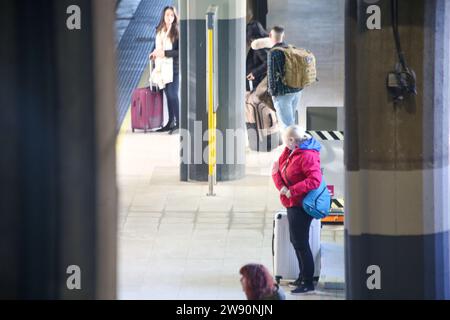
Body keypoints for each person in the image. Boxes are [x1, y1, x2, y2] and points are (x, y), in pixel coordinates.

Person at [272, 125, 322, 294]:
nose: (284, 144)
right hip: (292, 203)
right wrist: (283, 188)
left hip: (301, 206)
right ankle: (302, 276)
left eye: (286, 140)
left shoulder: (307, 155)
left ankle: (308, 281)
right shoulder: (291, 150)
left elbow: (314, 180)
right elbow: (277, 169)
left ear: (293, 140)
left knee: (301, 243)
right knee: (297, 242)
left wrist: (291, 191)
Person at [149, 6, 180, 135]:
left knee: (173, 94)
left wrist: (164, 53)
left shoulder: (176, 32)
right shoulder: (159, 30)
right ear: (163, 16)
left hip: (173, 68)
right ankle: (170, 122)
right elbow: (156, 46)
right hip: (162, 67)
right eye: (168, 15)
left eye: (172, 15)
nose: (170, 17)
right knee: (167, 94)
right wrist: (154, 53)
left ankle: (179, 123)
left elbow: (179, 52)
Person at [267, 26, 302, 130]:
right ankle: (293, 145)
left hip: (283, 94)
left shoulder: (273, 52)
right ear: (283, 36)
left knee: (287, 126)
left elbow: (271, 75)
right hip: (296, 90)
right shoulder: (291, 48)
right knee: (291, 122)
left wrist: (272, 94)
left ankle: (292, 146)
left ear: (270, 35)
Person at [246, 21, 270, 92]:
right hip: (260, 79)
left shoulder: (258, 46)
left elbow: (268, 63)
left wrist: (254, 73)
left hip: (256, 81)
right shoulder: (266, 40)